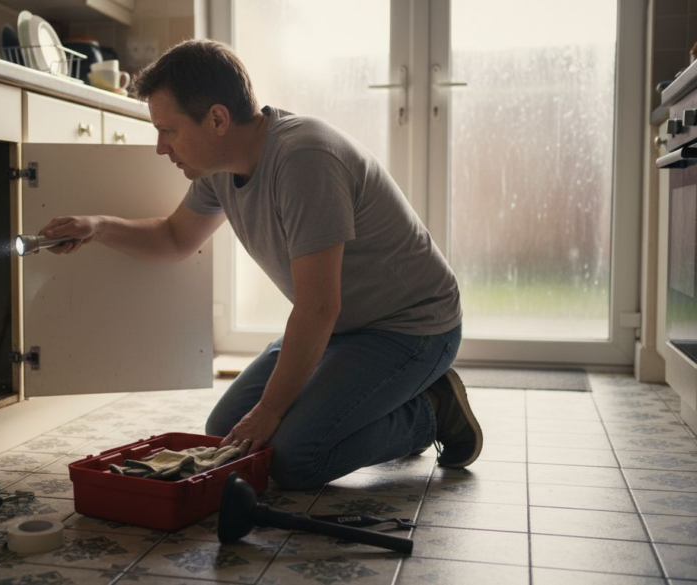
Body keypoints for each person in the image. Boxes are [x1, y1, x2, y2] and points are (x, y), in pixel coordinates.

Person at [39, 40, 482, 490]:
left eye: (168, 131)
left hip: (410, 329)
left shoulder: (305, 160)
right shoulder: (218, 166)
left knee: (292, 459)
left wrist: (270, 412)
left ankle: (430, 409)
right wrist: (96, 227)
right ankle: (382, 399)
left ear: (217, 119)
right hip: (341, 330)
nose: (160, 147)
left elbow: (317, 308)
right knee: (225, 438)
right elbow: (174, 238)